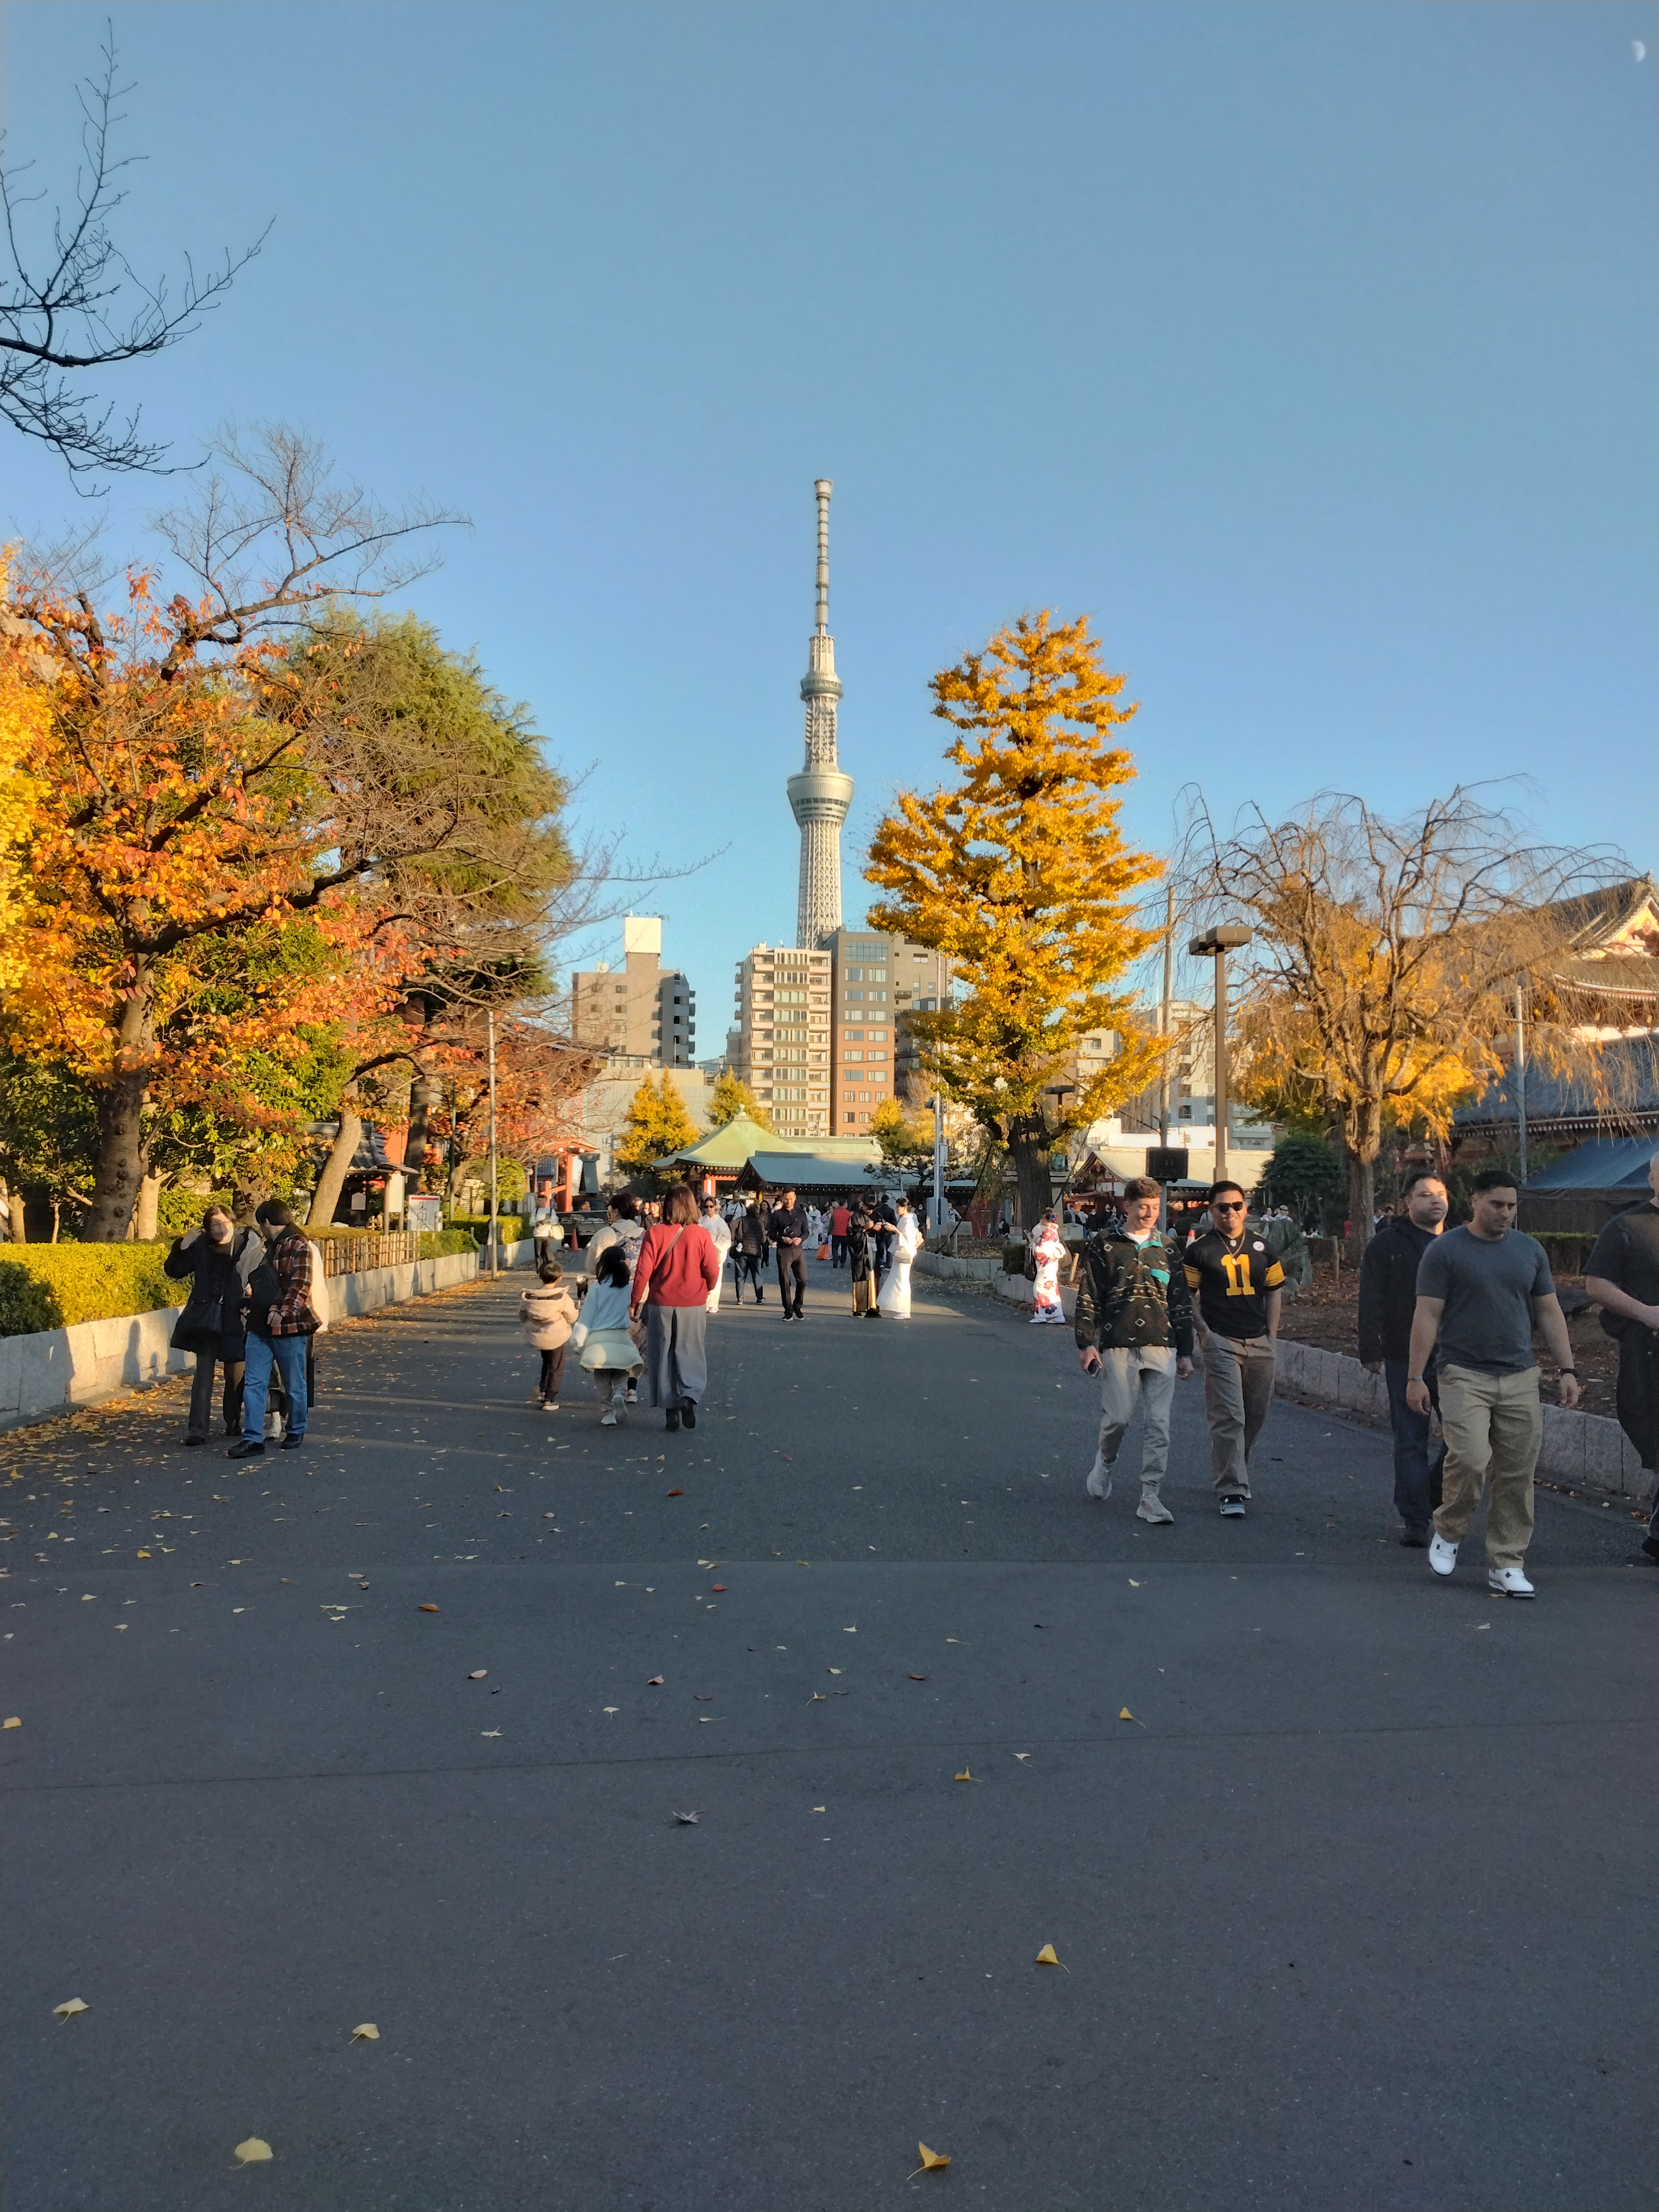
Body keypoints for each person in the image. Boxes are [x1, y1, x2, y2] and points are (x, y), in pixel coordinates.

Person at [1407, 1168, 1579, 1597]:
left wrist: (1568, 1369)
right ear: (1476, 1201)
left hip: (1519, 1375)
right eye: (1497, 1204)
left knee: (1518, 1472)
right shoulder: (1446, 1251)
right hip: (1463, 1372)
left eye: (1512, 1206)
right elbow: (1427, 1314)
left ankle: (1507, 1561)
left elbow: (1549, 1313)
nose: (1506, 1213)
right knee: (1469, 1458)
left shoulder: (1529, 1252)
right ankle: (1449, 1530)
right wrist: (1415, 1376)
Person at [1073, 1176, 1195, 1523]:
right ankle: (1105, 1464)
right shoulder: (1106, 1243)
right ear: (1126, 1205)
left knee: (1159, 1424)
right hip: (1119, 1345)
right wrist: (1086, 1343)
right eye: (1142, 1207)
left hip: (1163, 1346)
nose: (1149, 1214)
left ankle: (1150, 1496)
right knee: (1119, 1420)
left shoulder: (1168, 1248)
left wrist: (1186, 1352)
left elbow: (1181, 1302)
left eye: (1155, 1208)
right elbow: (1089, 1294)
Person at [1359, 1169, 1449, 1545]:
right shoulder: (1387, 1244)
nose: (1435, 1200)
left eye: (1440, 1193)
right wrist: (1370, 1349)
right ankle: (1415, 1517)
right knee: (1411, 1438)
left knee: (1466, 1438)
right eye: (1425, 1194)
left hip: (1458, 1355)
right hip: (1404, 1353)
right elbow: (1371, 1298)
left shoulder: (1461, 1242)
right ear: (1407, 1202)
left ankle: (1430, 1492)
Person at [1184, 1182, 1285, 1516]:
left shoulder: (1263, 1247)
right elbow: (1187, 1294)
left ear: (1247, 1208)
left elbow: (1274, 1292)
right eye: (1222, 1207)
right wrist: (1204, 1333)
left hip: (1259, 1341)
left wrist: (1271, 1336)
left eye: (1237, 1206)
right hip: (1221, 1341)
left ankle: (1235, 1467)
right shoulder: (1200, 1250)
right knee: (1230, 1415)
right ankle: (1231, 1489)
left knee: (1255, 1416)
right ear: (1211, 1211)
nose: (1230, 1213)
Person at [1584, 1148, 1659, 1564]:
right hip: (1648, 1353)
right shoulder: (1627, 1226)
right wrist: (1645, 1311)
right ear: (1651, 1179)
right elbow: (1597, 1284)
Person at [165, 1205, 264, 1445]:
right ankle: (197, 1430)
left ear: (233, 1222)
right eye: (215, 1225)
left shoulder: (246, 1244)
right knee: (203, 1375)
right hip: (205, 1317)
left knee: (236, 1376)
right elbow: (174, 1271)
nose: (221, 1229)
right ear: (208, 1227)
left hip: (237, 1316)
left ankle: (233, 1422)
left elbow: (261, 1272)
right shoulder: (201, 1245)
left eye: (225, 1224)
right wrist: (182, 1245)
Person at [231, 1202, 321, 1459]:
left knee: (292, 1383)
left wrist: (280, 1311)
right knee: (255, 1383)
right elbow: (267, 1284)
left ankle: (295, 1429)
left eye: (262, 1225)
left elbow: (301, 1284)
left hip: (289, 1326)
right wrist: (250, 1303)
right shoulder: (271, 1247)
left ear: (267, 1222)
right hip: (262, 1325)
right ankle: (253, 1437)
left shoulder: (298, 1243)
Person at [631, 1182, 720, 1431]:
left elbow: (643, 1271)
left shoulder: (655, 1233)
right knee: (691, 1349)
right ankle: (689, 1396)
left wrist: (635, 1301)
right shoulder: (701, 1235)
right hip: (692, 1302)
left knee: (662, 1354)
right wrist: (708, 1287)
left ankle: (669, 1409)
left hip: (661, 1302)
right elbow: (712, 1270)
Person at [571, 1245, 644, 1425]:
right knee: (621, 1370)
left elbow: (586, 1318)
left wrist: (578, 1342)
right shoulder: (629, 1288)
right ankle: (620, 1392)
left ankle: (608, 1412)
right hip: (621, 1337)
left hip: (599, 1339)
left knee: (602, 1377)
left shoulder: (597, 1289)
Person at [520, 1258, 577, 1411]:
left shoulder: (529, 1298)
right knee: (556, 1367)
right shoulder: (562, 1297)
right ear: (560, 1279)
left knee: (547, 1363)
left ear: (540, 1276)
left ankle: (543, 1390)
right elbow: (572, 1317)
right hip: (557, 1337)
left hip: (539, 1336)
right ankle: (550, 1399)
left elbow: (522, 1316)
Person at [877, 1197, 923, 1319]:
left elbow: (908, 1238)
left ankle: (904, 1310)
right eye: (897, 1206)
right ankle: (900, 1308)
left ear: (905, 1207)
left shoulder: (908, 1220)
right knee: (898, 1279)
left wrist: (895, 1230)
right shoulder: (906, 1219)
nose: (897, 1209)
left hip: (905, 1252)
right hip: (902, 1252)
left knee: (901, 1280)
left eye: (899, 1206)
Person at [770, 1185, 810, 1319]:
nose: (789, 1201)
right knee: (785, 1281)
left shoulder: (801, 1213)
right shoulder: (777, 1214)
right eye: (786, 1199)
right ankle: (788, 1311)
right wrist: (782, 1238)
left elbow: (806, 1232)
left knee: (803, 1280)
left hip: (798, 1250)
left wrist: (801, 1239)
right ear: (782, 1198)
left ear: (795, 1198)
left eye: (791, 1199)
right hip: (784, 1251)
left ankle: (797, 1306)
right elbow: (771, 1234)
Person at [1028, 1210, 1067, 1326]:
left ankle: (1041, 1315)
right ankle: (1058, 1315)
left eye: (1043, 1218)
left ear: (1046, 1218)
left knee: (1039, 1289)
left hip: (1046, 1264)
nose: (1041, 1220)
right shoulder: (1051, 1230)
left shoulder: (1048, 1232)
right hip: (1051, 1264)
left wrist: (1033, 1245)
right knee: (1051, 1290)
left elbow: (1042, 1250)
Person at [699, 1194, 733, 1313]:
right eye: (707, 1206)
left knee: (716, 1280)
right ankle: (702, 1302)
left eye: (711, 1206)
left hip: (714, 1252)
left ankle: (713, 1303)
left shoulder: (721, 1223)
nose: (708, 1209)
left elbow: (725, 1239)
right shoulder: (701, 1221)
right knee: (702, 1279)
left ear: (716, 1207)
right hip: (702, 1253)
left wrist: (714, 1247)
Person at [847, 1202, 878, 1318]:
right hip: (860, 1252)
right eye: (868, 1208)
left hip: (873, 1250)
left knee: (873, 1276)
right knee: (860, 1276)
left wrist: (878, 1229)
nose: (870, 1211)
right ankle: (858, 1308)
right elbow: (851, 1233)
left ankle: (873, 1306)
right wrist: (864, 1228)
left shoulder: (876, 1215)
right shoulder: (856, 1217)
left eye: (872, 1209)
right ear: (863, 1206)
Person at [734, 1200, 768, 1303]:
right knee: (757, 1275)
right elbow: (763, 1240)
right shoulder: (759, 1223)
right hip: (755, 1252)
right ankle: (759, 1297)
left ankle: (740, 1297)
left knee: (741, 1275)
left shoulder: (742, 1220)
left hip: (742, 1252)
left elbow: (732, 1225)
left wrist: (734, 1239)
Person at [830, 1198, 851, 1269]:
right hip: (845, 1234)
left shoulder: (835, 1213)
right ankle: (843, 1263)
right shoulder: (849, 1214)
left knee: (835, 1248)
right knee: (844, 1249)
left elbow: (831, 1224)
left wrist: (829, 1232)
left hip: (836, 1233)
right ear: (846, 1205)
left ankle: (836, 1259)